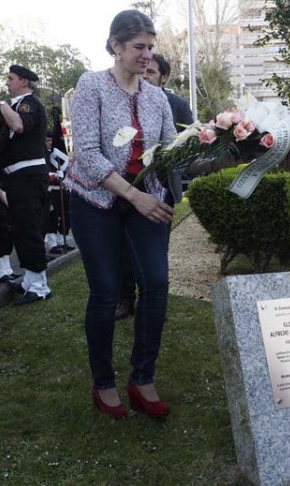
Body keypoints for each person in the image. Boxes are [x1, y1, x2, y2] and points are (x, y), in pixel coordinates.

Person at [64, 9, 179, 420]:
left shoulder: (157, 97)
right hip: (96, 201)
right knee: (106, 291)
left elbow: (168, 154)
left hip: (143, 198)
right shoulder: (91, 85)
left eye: (150, 47)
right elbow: (89, 155)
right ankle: (104, 382)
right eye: (138, 47)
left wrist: (219, 146)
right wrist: (135, 196)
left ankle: (142, 378)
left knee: (157, 283)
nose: (147, 55)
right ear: (115, 45)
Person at [115, 53, 195, 320]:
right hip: (125, 187)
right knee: (124, 247)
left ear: (164, 77)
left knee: (155, 249)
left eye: (151, 72)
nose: (145, 75)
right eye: (144, 71)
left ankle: (152, 300)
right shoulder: (125, 100)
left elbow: (188, 148)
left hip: (161, 190)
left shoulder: (178, 105)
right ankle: (125, 298)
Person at [0, 64, 51, 305]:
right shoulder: (14, 106)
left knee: (29, 228)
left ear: (24, 82)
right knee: (21, 229)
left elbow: (19, 125)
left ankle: (39, 286)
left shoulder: (29, 103)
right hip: (16, 177)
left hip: (28, 176)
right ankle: (29, 280)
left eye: (11, 78)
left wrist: (1, 105)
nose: (7, 82)